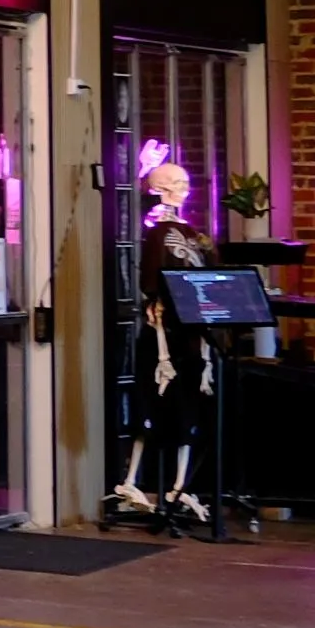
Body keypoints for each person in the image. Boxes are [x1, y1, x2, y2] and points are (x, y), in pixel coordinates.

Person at [105, 158, 221, 527]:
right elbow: (153, 288)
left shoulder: (195, 236)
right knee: (151, 412)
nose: (181, 190)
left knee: (187, 413)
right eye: (172, 184)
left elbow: (209, 274)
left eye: (183, 183)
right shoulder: (158, 235)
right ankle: (133, 481)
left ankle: (176, 486)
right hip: (165, 337)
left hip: (190, 334)